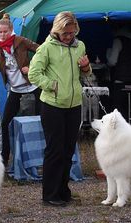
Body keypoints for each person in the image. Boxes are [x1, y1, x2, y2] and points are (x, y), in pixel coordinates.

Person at [28, 11, 91, 207]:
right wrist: (52, 85)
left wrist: (86, 66)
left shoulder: (80, 46)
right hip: (52, 106)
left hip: (74, 105)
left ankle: (64, 192)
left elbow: (85, 73)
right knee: (54, 150)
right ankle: (50, 194)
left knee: (68, 150)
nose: (69, 37)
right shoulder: (47, 48)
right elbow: (33, 74)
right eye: (65, 33)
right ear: (57, 30)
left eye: (72, 33)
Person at [0, 13, 40, 167]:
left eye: (5, 31)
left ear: (12, 30)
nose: (2, 34)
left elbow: (42, 51)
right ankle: (4, 159)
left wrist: (32, 68)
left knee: (43, 120)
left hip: (33, 86)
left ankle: (42, 157)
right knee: (5, 124)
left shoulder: (21, 41)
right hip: (15, 90)